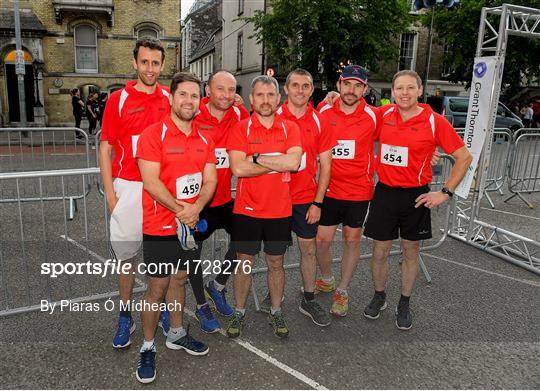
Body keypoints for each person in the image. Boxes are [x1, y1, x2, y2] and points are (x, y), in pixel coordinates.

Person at [363, 70, 472, 330]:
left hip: (417, 194)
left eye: (410, 88)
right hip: (385, 192)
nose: (404, 93)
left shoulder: (434, 121)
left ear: (420, 91)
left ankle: (404, 302)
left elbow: (464, 157)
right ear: (392, 92)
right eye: (399, 88)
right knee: (379, 252)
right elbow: (354, 114)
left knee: (411, 252)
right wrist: (331, 98)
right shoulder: (382, 115)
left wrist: (444, 192)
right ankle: (379, 296)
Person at [135, 72, 216, 383]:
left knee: (180, 280)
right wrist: (183, 210)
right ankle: (146, 346)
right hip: (160, 225)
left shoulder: (205, 138)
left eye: (194, 96)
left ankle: (177, 333)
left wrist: (195, 209)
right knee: (156, 288)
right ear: (171, 98)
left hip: (189, 224)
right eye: (183, 94)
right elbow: (151, 182)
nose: (188, 101)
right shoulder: (153, 135)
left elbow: (210, 180)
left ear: (200, 101)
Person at [99, 38, 171, 349]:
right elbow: (105, 148)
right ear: (135, 63)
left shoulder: (170, 98)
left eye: (155, 63)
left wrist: (234, 102)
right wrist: (110, 195)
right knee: (126, 260)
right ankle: (125, 315)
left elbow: (200, 113)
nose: (150, 68)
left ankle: (163, 309)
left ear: (162, 66)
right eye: (145, 62)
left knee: (162, 259)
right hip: (128, 188)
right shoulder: (118, 99)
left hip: (161, 189)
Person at [226, 75, 302, 338]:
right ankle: (239, 311)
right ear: (251, 99)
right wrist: (276, 160)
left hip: (279, 211)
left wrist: (256, 157)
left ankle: (277, 310)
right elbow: (238, 168)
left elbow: (293, 163)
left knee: (276, 263)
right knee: (244, 264)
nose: (265, 100)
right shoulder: (241, 129)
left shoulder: (290, 128)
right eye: (260, 95)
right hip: (247, 210)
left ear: (278, 99)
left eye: (270, 95)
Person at [258, 69, 334, 327]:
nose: (300, 91)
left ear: (312, 90)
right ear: (286, 90)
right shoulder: (272, 116)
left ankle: (309, 297)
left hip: (305, 199)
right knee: (275, 254)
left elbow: (326, 164)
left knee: (308, 248)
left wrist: (318, 202)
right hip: (276, 198)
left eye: (306, 86)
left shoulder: (320, 120)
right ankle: (273, 292)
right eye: (295, 86)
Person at [188, 70, 249, 333]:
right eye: (220, 89)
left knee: (245, 239)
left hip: (224, 199)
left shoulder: (240, 115)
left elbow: (270, 114)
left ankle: (218, 285)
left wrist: (329, 101)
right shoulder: (193, 113)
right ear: (208, 91)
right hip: (198, 203)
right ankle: (201, 305)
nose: (225, 95)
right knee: (192, 256)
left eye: (231, 90)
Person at [315, 65, 378, 317]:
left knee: (351, 241)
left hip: (358, 192)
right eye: (347, 83)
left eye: (357, 85)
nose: (351, 90)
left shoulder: (374, 116)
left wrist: (428, 155)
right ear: (339, 85)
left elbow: (400, 135)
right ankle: (327, 278)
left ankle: (342, 290)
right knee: (321, 241)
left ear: (364, 89)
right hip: (327, 190)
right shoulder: (323, 110)